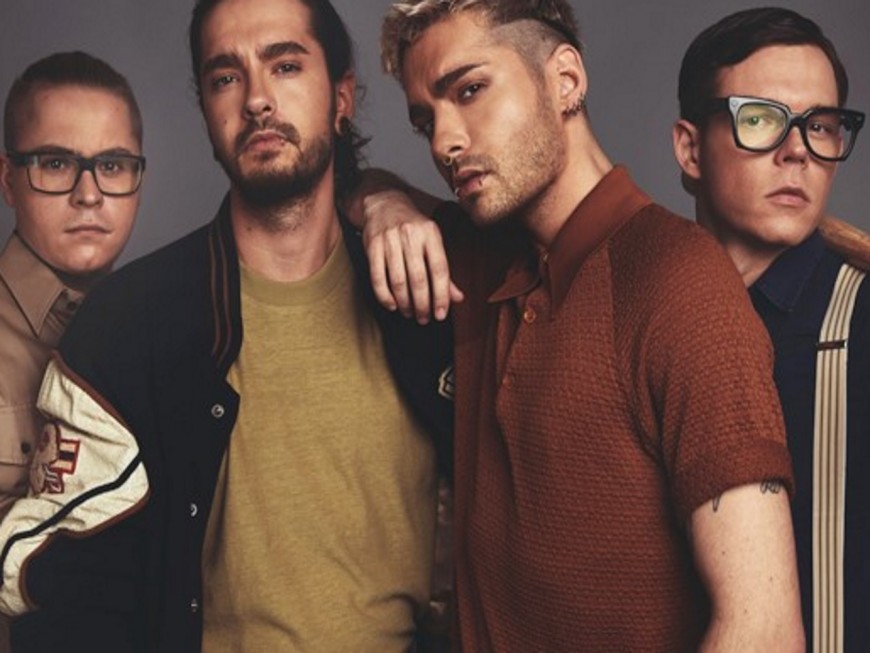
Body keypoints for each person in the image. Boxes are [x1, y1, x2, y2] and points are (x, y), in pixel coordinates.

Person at [353, 0, 806, 650]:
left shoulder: (679, 281)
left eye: (470, 91)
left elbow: (763, 629)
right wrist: (384, 205)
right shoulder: (479, 256)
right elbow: (345, 182)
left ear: (565, 80)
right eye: (426, 120)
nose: (444, 142)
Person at [0, 0, 452, 651]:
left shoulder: (426, 289)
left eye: (285, 65)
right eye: (225, 77)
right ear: (207, 115)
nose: (257, 100)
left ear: (342, 96)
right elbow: (73, 599)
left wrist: (385, 198)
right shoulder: (125, 326)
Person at [671, 8, 868, 651]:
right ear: (690, 149)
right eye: (759, 119)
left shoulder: (859, 323)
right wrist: (394, 201)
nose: (798, 150)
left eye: (821, 125)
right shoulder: (649, 322)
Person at [0, 50, 144, 652]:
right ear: (7, 179)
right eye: (56, 163)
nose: (89, 194)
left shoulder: (158, 331)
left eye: (111, 165)